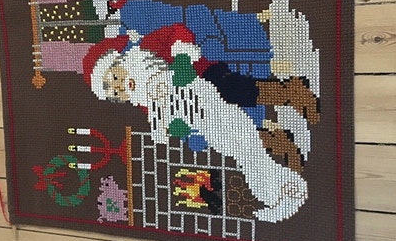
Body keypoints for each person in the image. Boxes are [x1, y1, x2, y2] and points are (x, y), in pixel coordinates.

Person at [82, 28, 312, 223]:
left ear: (116, 62)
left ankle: (284, 185)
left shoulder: (145, 51)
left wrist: (182, 57)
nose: (120, 86)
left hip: (205, 83)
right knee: (240, 150)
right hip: (201, 120)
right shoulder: (142, 99)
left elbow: (177, 32)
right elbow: (164, 116)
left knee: (244, 128)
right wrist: (177, 127)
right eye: (115, 92)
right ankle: (276, 192)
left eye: (115, 78)